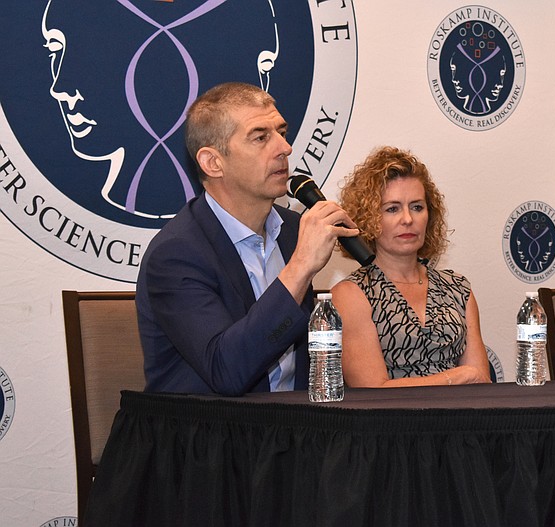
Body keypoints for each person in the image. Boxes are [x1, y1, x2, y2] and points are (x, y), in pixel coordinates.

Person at [136, 82, 359, 395]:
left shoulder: (293, 229)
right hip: (208, 435)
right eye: (260, 137)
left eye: (282, 132)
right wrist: (301, 265)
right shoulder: (175, 255)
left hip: (290, 432)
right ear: (213, 163)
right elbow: (226, 371)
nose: (285, 148)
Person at [330, 146, 492, 387]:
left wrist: (466, 377)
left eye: (417, 207)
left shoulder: (458, 288)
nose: (408, 219)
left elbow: (480, 382)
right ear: (368, 218)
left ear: (430, 214)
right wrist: (454, 376)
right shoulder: (351, 294)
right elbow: (373, 392)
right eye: (392, 209)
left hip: (462, 420)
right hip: (392, 422)